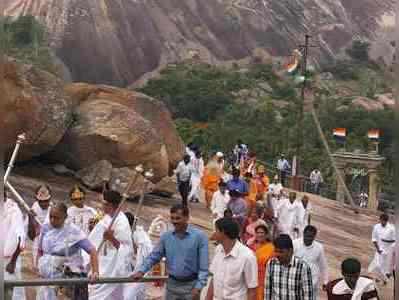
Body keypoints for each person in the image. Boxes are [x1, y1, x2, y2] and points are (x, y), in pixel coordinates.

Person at [133, 204, 209, 300]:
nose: (174, 221)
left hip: (191, 286)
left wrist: (198, 287)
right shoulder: (166, 237)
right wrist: (141, 271)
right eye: (172, 218)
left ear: (187, 218)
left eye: (178, 218)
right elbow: (155, 256)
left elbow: (204, 266)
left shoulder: (199, 237)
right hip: (171, 285)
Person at [37, 203, 99, 300]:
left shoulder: (73, 231)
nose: (53, 220)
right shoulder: (46, 228)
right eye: (51, 217)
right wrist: (39, 267)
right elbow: (40, 250)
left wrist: (95, 271)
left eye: (57, 218)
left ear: (65, 217)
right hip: (48, 276)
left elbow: (92, 250)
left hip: (69, 276)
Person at [85, 190, 134, 299]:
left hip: (113, 266)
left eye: (104, 203)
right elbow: (94, 240)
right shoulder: (107, 218)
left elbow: (127, 250)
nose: (102, 205)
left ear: (110, 205)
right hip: (100, 263)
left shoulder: (122, 222)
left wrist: (112, 239)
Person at [206, 217, 258, 300]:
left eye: (216, 230)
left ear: (223, 232)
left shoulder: (248, 256)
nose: (214, 233)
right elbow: (214, 279)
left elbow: (252, 290)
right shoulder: (218, 249)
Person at [265, 234, 314, 300]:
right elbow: (268, 291)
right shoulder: (271, 264)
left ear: (290, 251)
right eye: (276, 251)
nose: (277, 254)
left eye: (281, 252)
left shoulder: (302, 267)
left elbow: (308, 295)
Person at [293, 225, 329, 298]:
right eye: (307, 236)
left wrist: (326, 281)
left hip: (312, 282)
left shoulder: (319, 248)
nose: (308, 239)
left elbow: (323, 266)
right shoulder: (294, 244)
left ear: (314, 237)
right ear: (303, 234)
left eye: (311, 237)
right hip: (295, 280)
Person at [3, 189, 26, 300]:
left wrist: (12, 262)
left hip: (9, 261)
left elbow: (20, 236)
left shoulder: (14, 210)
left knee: (11, 293)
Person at [368, 213, 396, 283]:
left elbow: (394, 240)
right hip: (379, 249)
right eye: (382, 221)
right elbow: (374, 239)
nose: (383, 222)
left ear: (387, 221)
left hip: (389, 250)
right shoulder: (376, 227)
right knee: (377, 264)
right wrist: (378, 249)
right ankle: (379, 278)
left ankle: (384, 279)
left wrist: (386, 241)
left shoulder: (392, 228)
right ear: (380, 220)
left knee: (385, 267)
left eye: (385, 221)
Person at [29, 184, 52, 268]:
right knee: (37, 267)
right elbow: (31, 236)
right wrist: (31, 219)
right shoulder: (33, 209)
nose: (43, 203)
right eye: (41, 201)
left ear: (50, 199)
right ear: (36, 199)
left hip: (51, 242)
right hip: (38, 242)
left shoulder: (54, 210)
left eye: (46, 201)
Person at [248, 224, 274, 300]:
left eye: (262, 232)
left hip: (265, 280)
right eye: (258, 233)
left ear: (266, 235)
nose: (260, 235)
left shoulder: (271, 248)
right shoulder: (251, 246)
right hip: (251, 278)